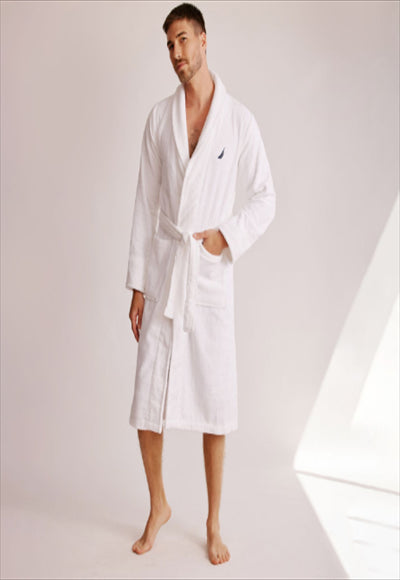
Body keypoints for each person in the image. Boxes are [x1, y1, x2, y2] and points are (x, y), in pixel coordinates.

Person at [126, 2, 276, 566]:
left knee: (215, 401)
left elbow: (265, 196)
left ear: (205, 40)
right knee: (148, 398)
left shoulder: (238, 121)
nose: (176, 53)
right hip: (166, 270)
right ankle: (159, 505)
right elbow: (145, 202)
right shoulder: (158, 119)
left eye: (183, 39)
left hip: (208, 276)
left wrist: (226, 236)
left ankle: (213, 521)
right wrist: (137, 284)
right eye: (169, 44)